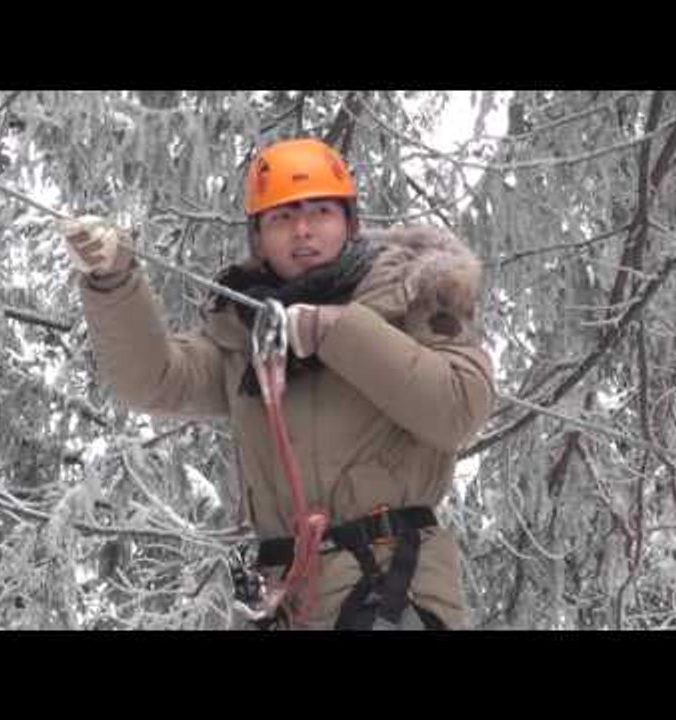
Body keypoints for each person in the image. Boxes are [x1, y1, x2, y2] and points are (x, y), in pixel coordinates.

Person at [65, 137, 496, 630]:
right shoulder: (246, 332)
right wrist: (111, 280)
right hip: (292, 598)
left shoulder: (414, 297)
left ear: (349, 224)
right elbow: (154, 380)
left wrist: (338, 330)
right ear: (258, 238)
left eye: (320, 212)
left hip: (392, 586)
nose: (303, 231)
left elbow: (459, 408)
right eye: (282, 218)